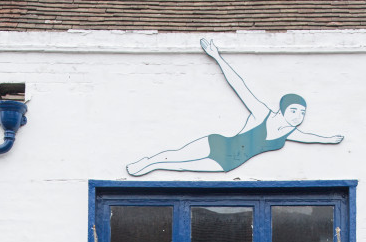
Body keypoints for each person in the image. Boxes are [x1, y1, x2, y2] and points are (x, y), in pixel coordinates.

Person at [127, 38, 343, 176]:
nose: (298, 116)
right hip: (218, 145)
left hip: (229, 164)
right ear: (283, 109)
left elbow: (314, 138)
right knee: (176, 155)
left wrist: (331, 139)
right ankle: (150, 161)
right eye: (294, 110)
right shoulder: (262, 114)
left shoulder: (289, 134)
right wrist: (218, 58)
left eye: (302, 112)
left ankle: (153, 166)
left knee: (181, 167)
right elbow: (240, 86)